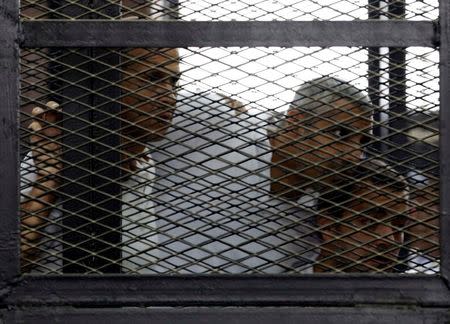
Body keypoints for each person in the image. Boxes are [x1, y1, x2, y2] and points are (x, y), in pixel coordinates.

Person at [150, 76, 374, 273]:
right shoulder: (216, 121)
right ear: (295, 123)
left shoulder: (323, 223)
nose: (354, 154)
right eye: (340, 133)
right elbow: (127, 118)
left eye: (363, 142)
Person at [313, 160, 409, 272]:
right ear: (329, 227)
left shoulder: (415, 287)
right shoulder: (292, 287)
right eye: (369, 222)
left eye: (399, 225)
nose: (390, 240)